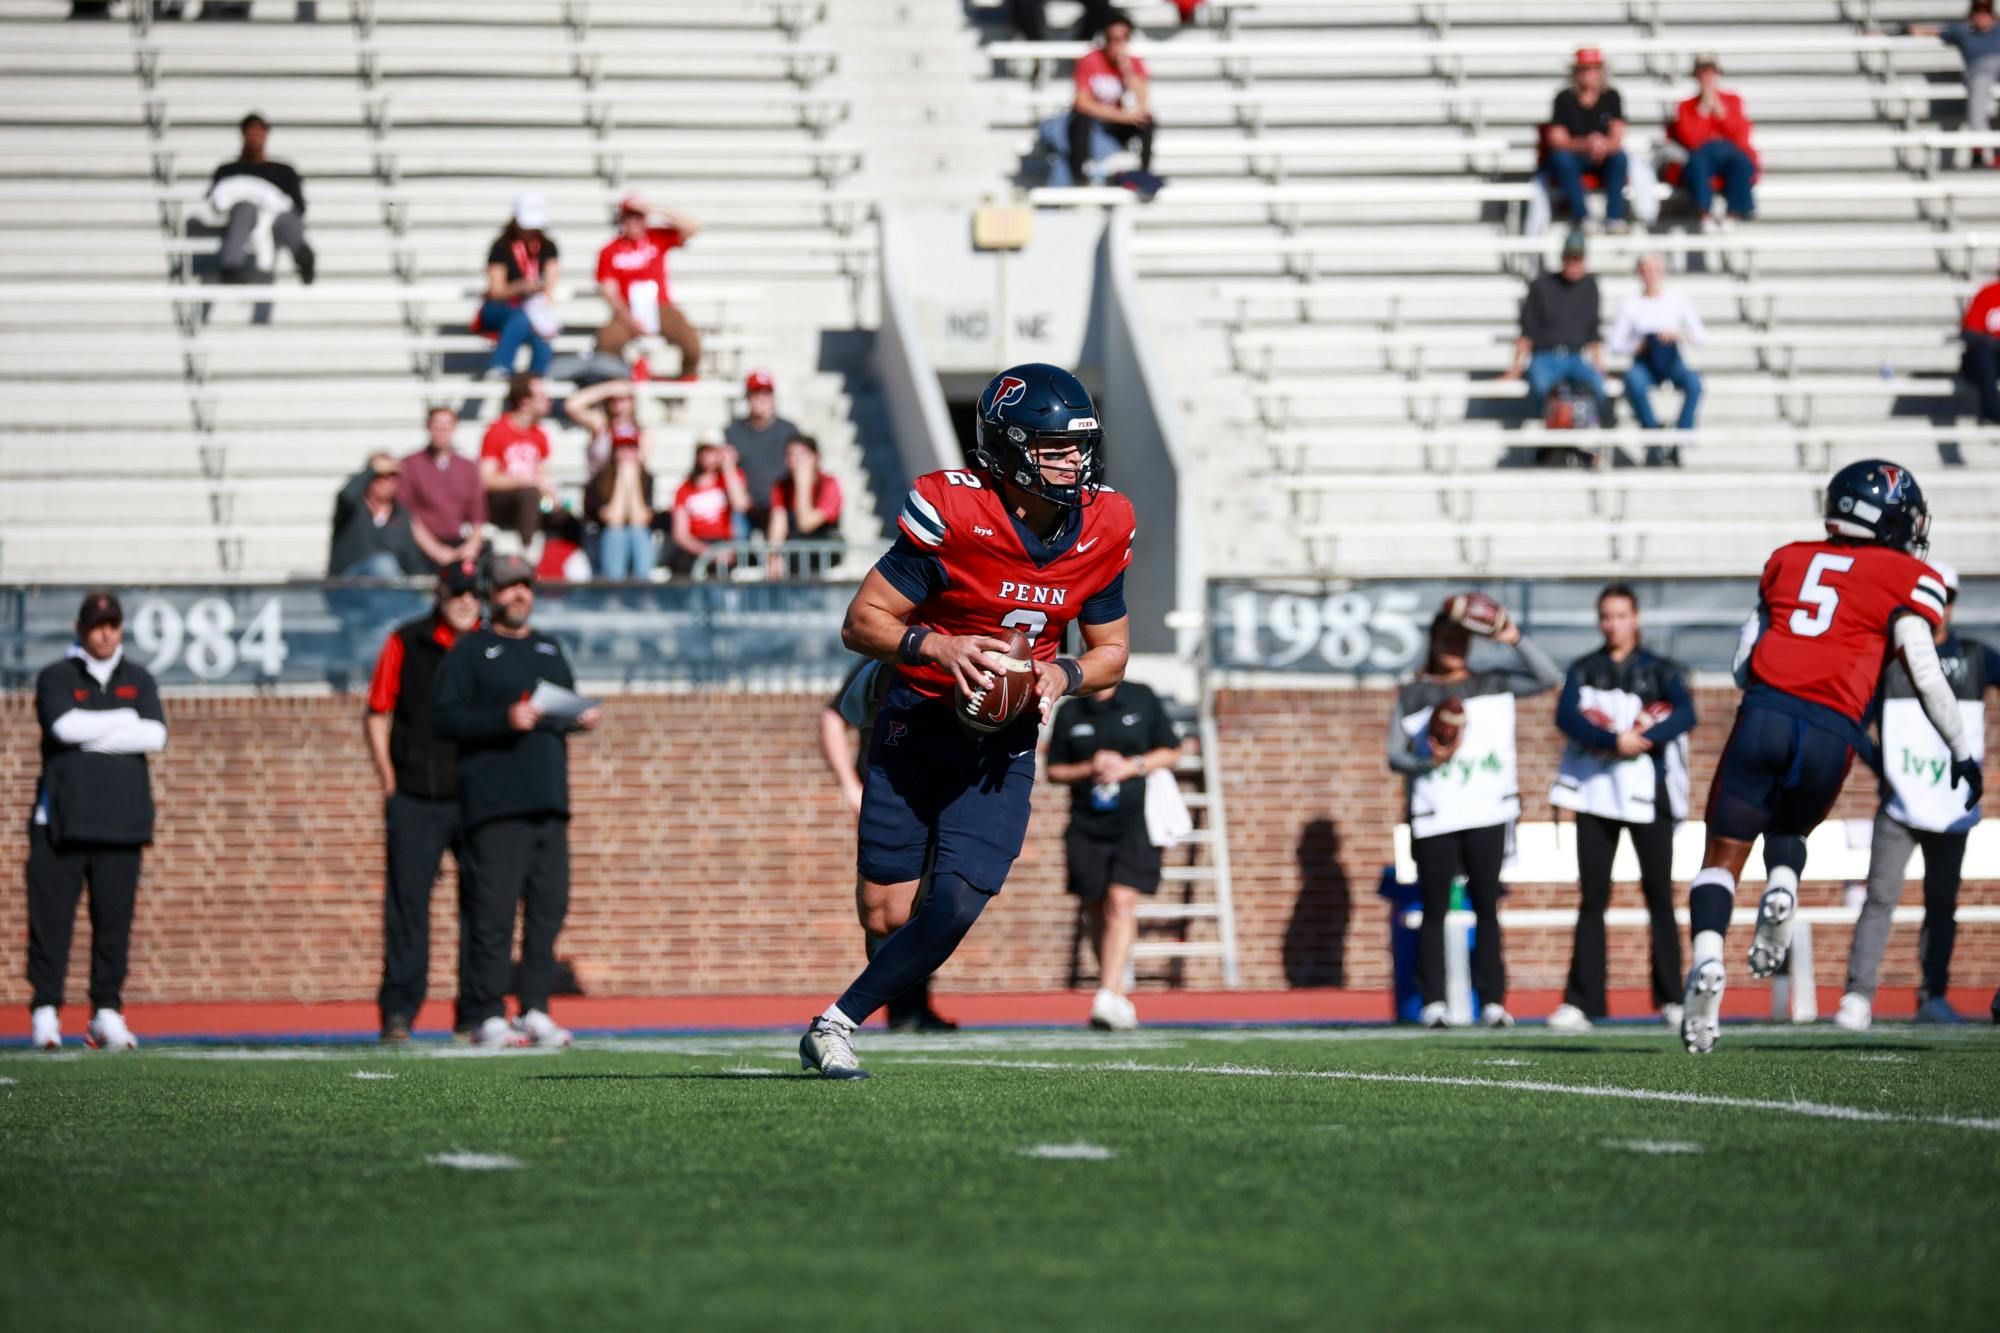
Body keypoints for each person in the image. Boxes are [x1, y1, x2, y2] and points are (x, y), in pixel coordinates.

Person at [798, 363, 1137, 1079]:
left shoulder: (1105, 524)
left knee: (958, 896)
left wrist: (1062, 672)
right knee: (887, 912)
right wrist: (939, 644)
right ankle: (895, 997)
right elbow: (862, 620)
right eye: (1054, 448)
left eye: (1080, 446)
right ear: (1010, 451)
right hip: (916, 718)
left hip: (1002, 737)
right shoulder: (956, 512)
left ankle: (837, 1022)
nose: (1074, 462)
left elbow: (1112, 652)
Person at [1679, 461, 1971, 1054]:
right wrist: (1963, 751)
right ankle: (1783, 881)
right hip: (1831, 728)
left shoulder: (1790, 558)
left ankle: (1709, 956)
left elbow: (1742, 659)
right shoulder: (1908, 575)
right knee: (1792, 822)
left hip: (1764, 711)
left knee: (1722, 853)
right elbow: (1925, 671)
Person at [431, 554, 601, 1048]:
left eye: (526, 584)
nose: (519, 593)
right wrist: (503, 718)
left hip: (549, 801)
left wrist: (578, 716)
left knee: (548, 911)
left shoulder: (549, 647)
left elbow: (562, 705)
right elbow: (444, 720)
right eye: (509, 586)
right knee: (493, 915)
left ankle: (534, 1009)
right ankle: (486, 1012)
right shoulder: (470, 650)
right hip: (495, 805)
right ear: (492, 594)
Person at [1386, 597, 1562, 1029]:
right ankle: (1434, 1003)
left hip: (1487, 811)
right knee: (1434, 909)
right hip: (1434, 814)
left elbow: (1549, 677)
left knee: (1487, 907)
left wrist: (1513, 637)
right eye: (1446, 638)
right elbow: (1394, 756)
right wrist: (1428, 761)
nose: (1452, 647)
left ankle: (1493, 1001)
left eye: (1460, 638)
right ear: (1432, 641)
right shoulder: (1414, 693)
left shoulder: (1494, 682)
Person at [1838, 562, 1994, 1029]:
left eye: (1944, 597)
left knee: (1942, 901)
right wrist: (1882, 769)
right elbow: (1854, 723)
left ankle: (1934, 994)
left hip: (1953, 803)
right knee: (1880, 897)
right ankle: (1858, 995)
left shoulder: (1976, 655)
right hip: (1900, 802)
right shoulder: (1889, 658)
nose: (1936, 607)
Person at [1546, 585, 1696, 1033]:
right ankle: (1582, 1002)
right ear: (1600, 621)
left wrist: (1641, 738)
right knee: (1593, 897)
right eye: (1607, 617)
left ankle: (1672, 998)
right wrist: (1613, 741)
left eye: (1622, 615)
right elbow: (1566, 717)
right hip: (1595, 796)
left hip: (1650, 797)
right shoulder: (1584, 668)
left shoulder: (1661, 670)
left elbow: (1685, 714)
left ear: (1636, 618)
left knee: (1659, 897)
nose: (1614, 624)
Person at [26, 592, 167, 1053]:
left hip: (121, 823)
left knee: (113, 924)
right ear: (80, 628)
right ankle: (46, 1011)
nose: (106, 632)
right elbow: (63, 728)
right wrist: (123, 723)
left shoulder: (139, 678)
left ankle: (106, 1012)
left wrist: (99, 728)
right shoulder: (56, 676)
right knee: (51, 923)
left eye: (113, 624)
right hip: (60, 825)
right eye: (97, 624)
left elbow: (155, 734)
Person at [365, 562, 483, 1043]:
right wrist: (389, 782)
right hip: (415, 795)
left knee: (483, 909)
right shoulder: (406, 640)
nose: (466, 601)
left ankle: (476, 1013)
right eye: (458, 592)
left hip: (479, 798)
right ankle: (399, 1012)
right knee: (407, 908)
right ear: (440, 593)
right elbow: (377, 712)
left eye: (474, 593)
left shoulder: (491, 645)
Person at [819, 657, 957, 1033]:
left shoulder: (956, 656)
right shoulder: (888, 658)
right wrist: (850, 787)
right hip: (891, 795)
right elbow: (833, 717)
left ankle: (915, 1005)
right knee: (889, 905)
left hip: (938, 795)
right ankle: (896, 1005)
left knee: (934, 900)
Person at [1046, 677, 1182, 1031]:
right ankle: (1116, 991)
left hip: (1135, 821)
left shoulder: (1141, 697)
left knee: (1120, 901)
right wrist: (1091, 767)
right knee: (1094, 906)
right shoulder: (1071, 709)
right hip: (1086, 823)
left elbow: (1171, 750)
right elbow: (1054, 770)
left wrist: (1130, 766)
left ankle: (1106, 992)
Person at [1501, 229, 1612, 433]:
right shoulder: (1541, 286)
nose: (1574, 263)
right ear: (1562, 258)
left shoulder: (1589, 286)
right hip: (1545, 357)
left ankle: (1583, 440)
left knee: (1597, 386)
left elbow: (1593, 332)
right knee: (1542, 388)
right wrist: (1514, 370)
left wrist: (1600, 367)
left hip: (1575, 358)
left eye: (1578, 258)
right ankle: (1552, 441)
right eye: (1570, 257)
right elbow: (1527, 333)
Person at [594, 194, 702, 382]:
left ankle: (681, 388)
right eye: (629, 217)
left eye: (639, 216)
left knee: (692, 344)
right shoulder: (609, 250)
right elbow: (609, 290)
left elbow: (693, 227)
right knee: (607, 342)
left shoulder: (656, 237)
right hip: (628, 309)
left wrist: (654, 209)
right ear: (621, 219)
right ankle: (623, 381)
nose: (634, 222)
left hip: (660, 306)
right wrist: (629, 319)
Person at [1541, 48, 1649, 234]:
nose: (1588, 74)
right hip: (1576, 157)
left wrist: (1602, 145)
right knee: (1562, 159)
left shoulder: (1612, 97)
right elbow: (1556, 138)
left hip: (1603, 157)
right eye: (1583, 69)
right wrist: (1586, 143)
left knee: (1619, 158)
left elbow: (1617, 136)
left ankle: (1614, 217)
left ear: (1601, 71)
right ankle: (1582, 216)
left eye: (1592, 68)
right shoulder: (1564, 99)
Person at [1607, 253, 1706, 456]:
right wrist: (1639, 344)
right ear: (1639, 273)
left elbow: (1701, 336)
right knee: (1633, 381)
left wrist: (1677, 334)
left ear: (1663, 272)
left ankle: (1682, 435)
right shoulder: (1631, 303)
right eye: (1646, 270)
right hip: (1645, 360)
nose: (1650, 275)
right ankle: (1652, 434)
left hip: (1671, 358)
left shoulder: (1677, 299)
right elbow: (1615, 344)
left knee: (1694, 383)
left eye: (1654, 269)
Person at [208, 112, 314, 286]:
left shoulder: (284, 171)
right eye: (251, 133)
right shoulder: (228, 171)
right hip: (243, 222)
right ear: (243, 134)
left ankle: (303, 257)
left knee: (287, 217)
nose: (255, 138)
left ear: (266, 134)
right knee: (246, 208)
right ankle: (231, 265)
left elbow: (298, 207)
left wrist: (270, 207)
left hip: (276, 224)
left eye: (259, 132)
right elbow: (219, 202)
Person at [1668, 54, 1758, 230]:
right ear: (1696, 76)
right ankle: (1705, 215)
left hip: (1728, 153)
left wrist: (1722, 114)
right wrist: (1703, 111)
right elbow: (1691, 140)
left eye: (1711, 72)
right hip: (1703, 154)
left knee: (1742, 163)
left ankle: (1733, 213)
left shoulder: (1733, 101)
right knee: (1697, 164)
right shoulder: (1685, 106)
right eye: (1703, 72)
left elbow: (1739, 135)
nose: (1707, 77)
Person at [1067, 12, 1155, 190]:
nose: (1117, 44)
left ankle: (1144, 172)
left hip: (1116, 122)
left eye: (1122, 39)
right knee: (1080, 119)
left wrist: (1126, 69)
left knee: (1147, 121)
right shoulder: (1090, 60)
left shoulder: (1133, 63)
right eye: (1113, 39)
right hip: (1095, 121)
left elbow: (1143, 101)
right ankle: (1079, 174)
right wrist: (1120, 116)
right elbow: (1081, 102)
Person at [477, 193, 561, 379]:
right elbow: (496, 292)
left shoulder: (547, 247)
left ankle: (532, 385)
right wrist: (519, 287)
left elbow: (550, 284)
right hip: (500, 310)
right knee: (520, 317)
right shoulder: (501, 246)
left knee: (542, 341)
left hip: (530, 311)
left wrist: (539, 291)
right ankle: (501, 365)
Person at [1912, 2, 2000, 167]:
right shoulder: (1962, 30)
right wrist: (1891, 32)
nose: (1982, 16)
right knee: (1978, 95)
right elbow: (1928, 31)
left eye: (1986, 11)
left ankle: (1997, 156)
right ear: (1971, 14)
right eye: (1978, 11)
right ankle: (1978, 150)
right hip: (1979, 69)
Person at [398, 406, 486, 567]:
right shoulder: (410, 464)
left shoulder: (467, 466)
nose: (442, 432)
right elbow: (407, 515)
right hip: (423, 544)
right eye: (437, 426)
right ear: (428, 428)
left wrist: (471, 546)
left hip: (458, 542)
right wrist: (435, 550)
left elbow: (477, 515)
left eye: (447, 426)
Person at [328, 452, 433, 578]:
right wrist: (372, 469)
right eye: (379, 475)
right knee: (383, 564)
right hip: (347, 586)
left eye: (392, 475)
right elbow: (346, 495)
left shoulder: (401, 515)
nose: (386, 481)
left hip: (386, 589)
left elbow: (412, 560)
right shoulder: (352, 508)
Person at [480, 374, 556, 546]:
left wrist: (552, 496)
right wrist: (527, 480)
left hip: (532, 502)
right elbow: (487, 479)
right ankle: (528, 551)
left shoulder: (539, 435)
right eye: (542, 397)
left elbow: (542, 475)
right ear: (525, 401)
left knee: (564, 517)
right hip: (500, 503)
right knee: (529, 493)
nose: (548, 401)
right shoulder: (497, 431)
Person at [723, 370, 800, 537]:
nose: (761, 399)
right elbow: (729, 468)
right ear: (748, 398)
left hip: (781, 504)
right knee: (734, 527)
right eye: (756, 394)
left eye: (766, 394)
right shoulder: (733, 431)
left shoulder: (789, 430)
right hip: (747, 505)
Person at [668, 442, 751, 578]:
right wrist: (709, 552)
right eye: (704, 452)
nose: (708, 457)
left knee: (723, 568)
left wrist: (728, 466)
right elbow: (681, 535)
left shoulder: (728, 480)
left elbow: (740, 505)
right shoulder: (685, 489)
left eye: (712, 451)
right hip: (696, 543)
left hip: (723, 541)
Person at [766, 434, 842, 575]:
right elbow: (778, 525)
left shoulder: (829, 484)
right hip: (795, 556)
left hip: (824, 552)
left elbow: (806, 523)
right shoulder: (781, 487)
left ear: (816, 458)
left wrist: (802, 485)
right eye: (791, 454)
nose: (797, 460)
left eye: (802, 454)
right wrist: (773, 557)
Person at [585, 434, 656, 580]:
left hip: (636, 536)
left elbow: (640, 520)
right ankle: (614, 592)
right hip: (604, 539)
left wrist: (633, 481)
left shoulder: (647, 478)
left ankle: (642, 588)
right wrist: (622, 481)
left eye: (631, 448)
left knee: (638, 533)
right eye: (621, 449)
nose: (626, 453)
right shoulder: (600, 479)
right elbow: (613, 519)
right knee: (616, 534)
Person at [565, 378, 643, 474]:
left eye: (623, 399)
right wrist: (610, 388)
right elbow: (572, 406)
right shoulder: (601, 424)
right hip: (599, 485)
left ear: (632, 401)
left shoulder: (642, 433)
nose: (618, 404)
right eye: (612, 399)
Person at [1959, 265, 2000, 423]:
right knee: (1984, 352)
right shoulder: (1988, 293)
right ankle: (1992, 410)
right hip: (1984, 362)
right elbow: (1969, 333)